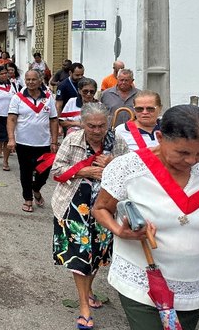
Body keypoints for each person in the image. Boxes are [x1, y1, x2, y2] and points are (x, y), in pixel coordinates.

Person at [94, 105, 199, 330]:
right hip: (143, 283)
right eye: (183, 153)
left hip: (194, 286)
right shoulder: (128, 168)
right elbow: (100, 209)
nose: (192, 160)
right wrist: (119, 230)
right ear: (160, 137)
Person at [51, 102, 130, 330]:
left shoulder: (117, 142)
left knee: (96, 255)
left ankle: (88, 290)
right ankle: (84, 306)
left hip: (105, 209)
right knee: (80, 256)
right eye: (91, 126)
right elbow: (56, 170)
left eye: (101, 126)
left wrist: (112, 163)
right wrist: (83, 170)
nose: (96, 131)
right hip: (74, 207)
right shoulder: (72, 140)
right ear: (82, 124)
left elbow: (133, 170)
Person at [7, 69, 59, 213]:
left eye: (33, 79)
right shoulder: (17, 97)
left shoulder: (48, 97)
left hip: (43, 143)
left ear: (40, 80)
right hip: (23, 143)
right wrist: (11, 139)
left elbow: (54, 120)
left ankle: (36, 189)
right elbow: (11, 119)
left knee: (44, 173)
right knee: (26, 172)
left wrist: (54, 141)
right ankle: (28, 199)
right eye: (28, 79)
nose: (30, 82)